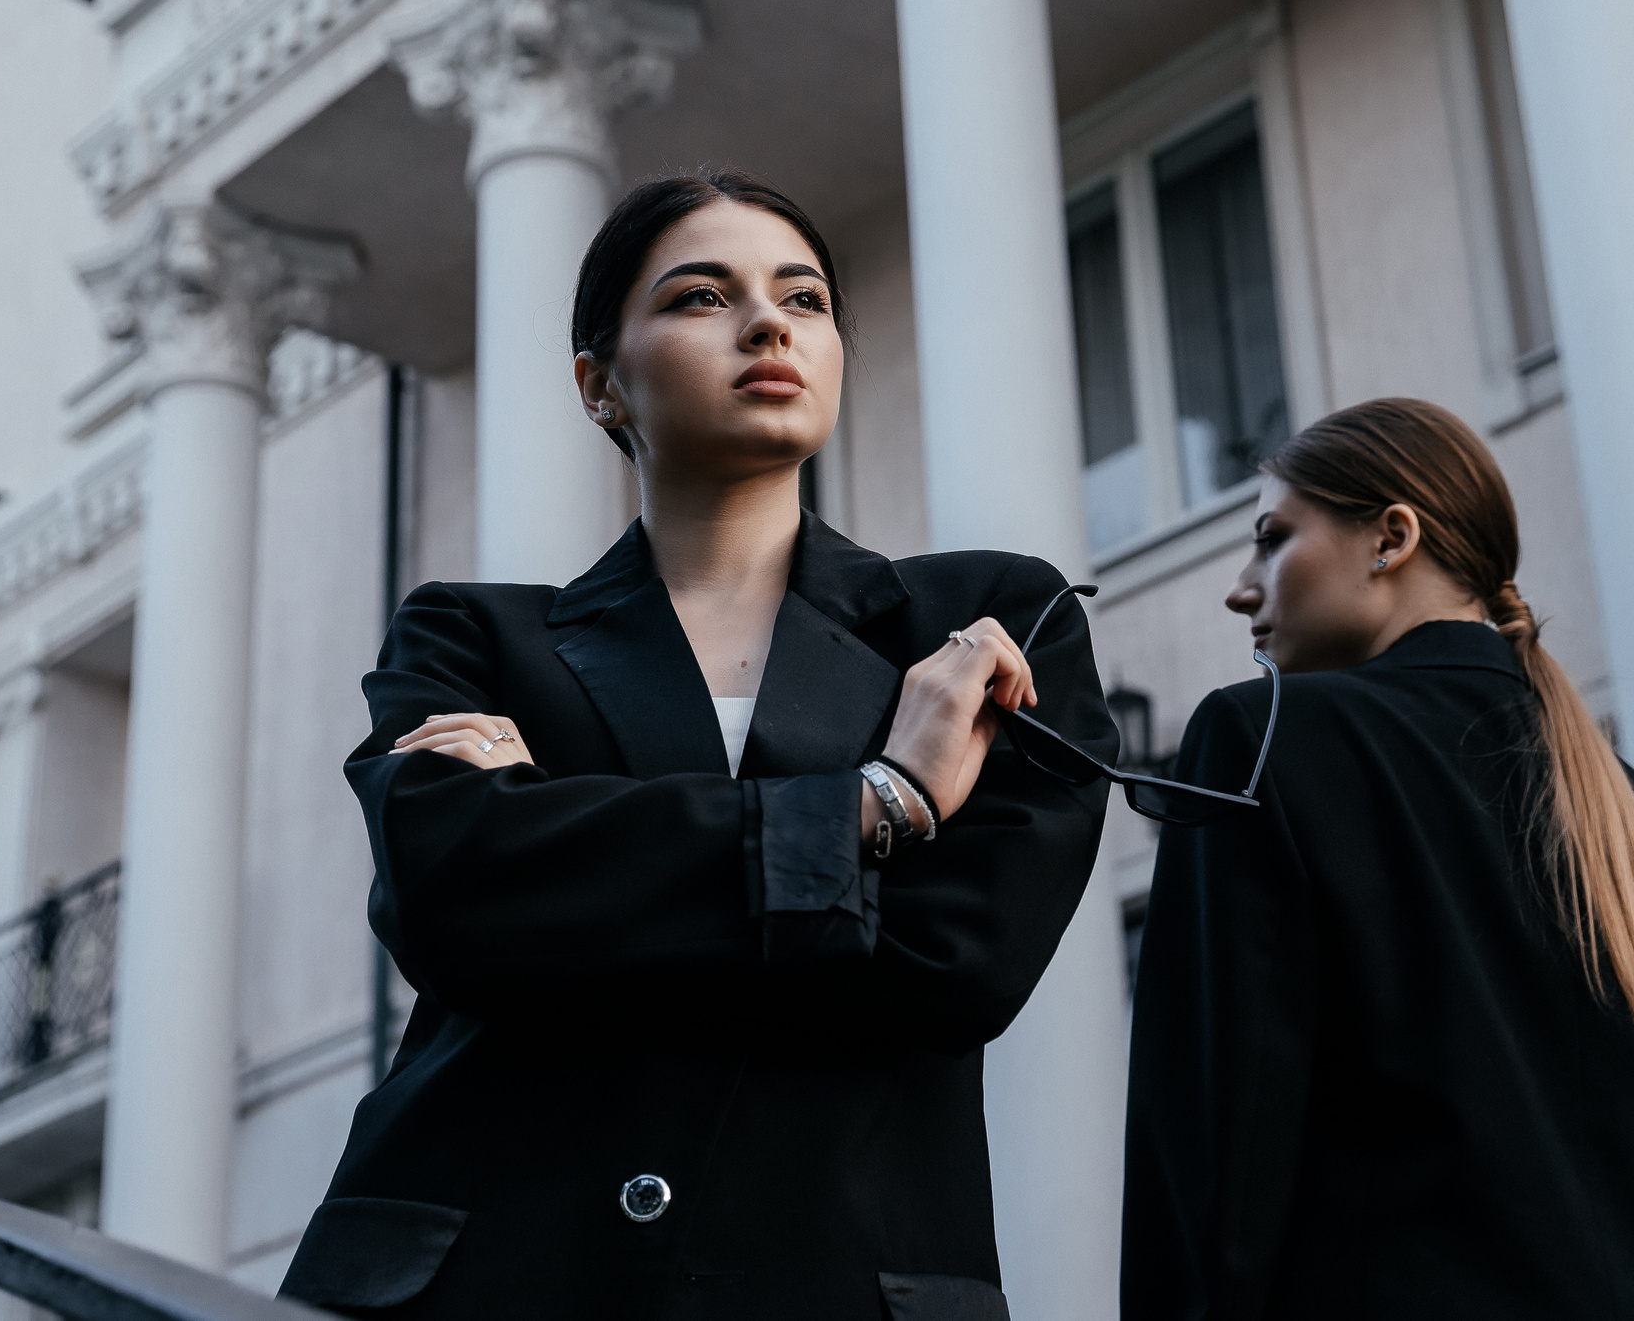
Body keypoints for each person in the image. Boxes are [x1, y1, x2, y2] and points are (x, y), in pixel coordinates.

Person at [280, 170, 1117, 1321]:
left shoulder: (980, 629)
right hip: (493, 1274)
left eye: (804, 298)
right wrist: (876, 803)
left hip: (832, 1285)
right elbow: (450, 899)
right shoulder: (470, 634)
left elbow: (956, 961)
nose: (768, 323)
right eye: (700, 296)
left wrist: (563, 871)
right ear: (599, 384)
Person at [1122, 398, 1634, 1320]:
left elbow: (1213, 1162)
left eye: (1272, 540)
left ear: (1392, 537)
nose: (1241, 588)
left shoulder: (1263, 744)